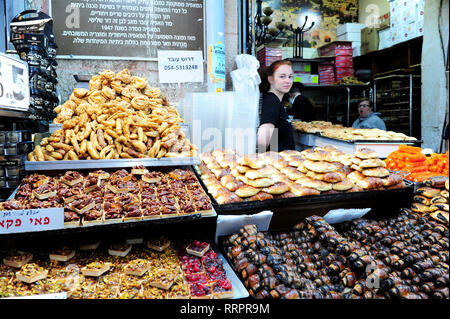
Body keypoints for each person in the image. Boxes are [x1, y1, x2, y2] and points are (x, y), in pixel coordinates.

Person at [257, 59, 296, 152]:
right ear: (270, 79)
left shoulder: (274, 100)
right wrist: (259, 161)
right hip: (276, 162)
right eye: (282, 77)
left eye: (290, 77)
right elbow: (264, 133)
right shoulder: (272, 100)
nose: (287, 81)